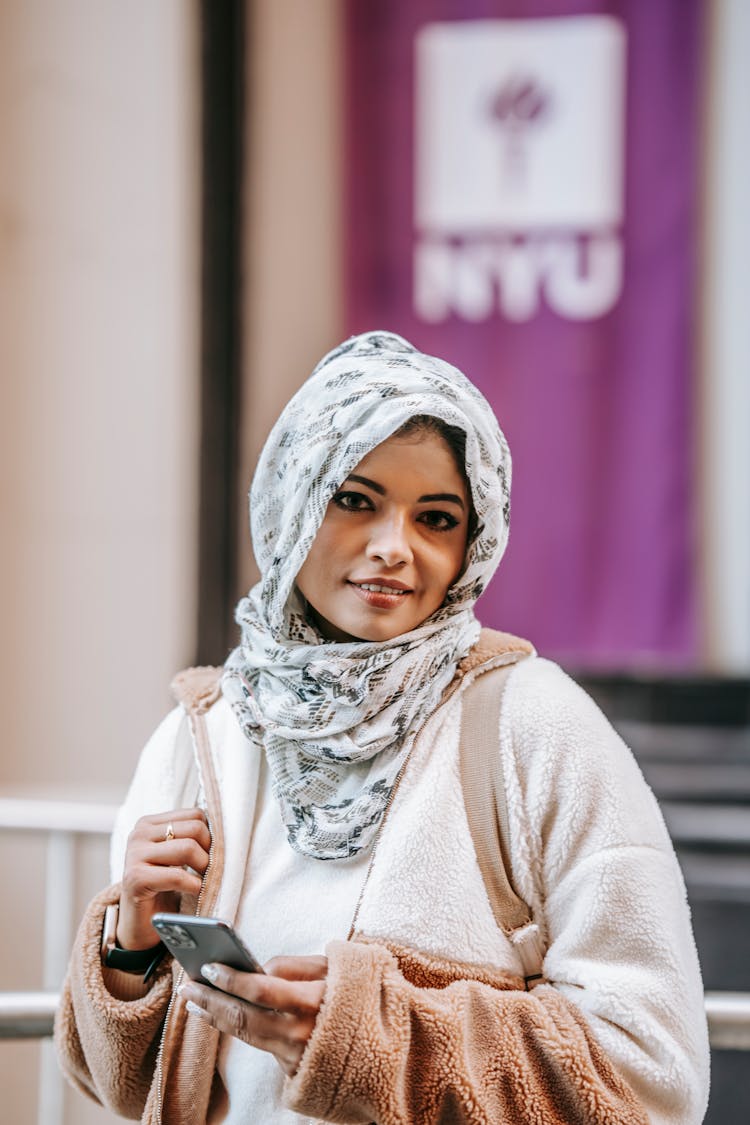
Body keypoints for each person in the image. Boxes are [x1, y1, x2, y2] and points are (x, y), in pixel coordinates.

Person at [55, 330, 710, 1124]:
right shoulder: (204, 734)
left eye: (436, 517)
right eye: (355, 499)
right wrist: (128, 950)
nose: (395, 548)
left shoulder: (533, 725)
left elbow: (653, 1077)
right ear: (293, 501)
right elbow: (117, 1088)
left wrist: (367, 1039)